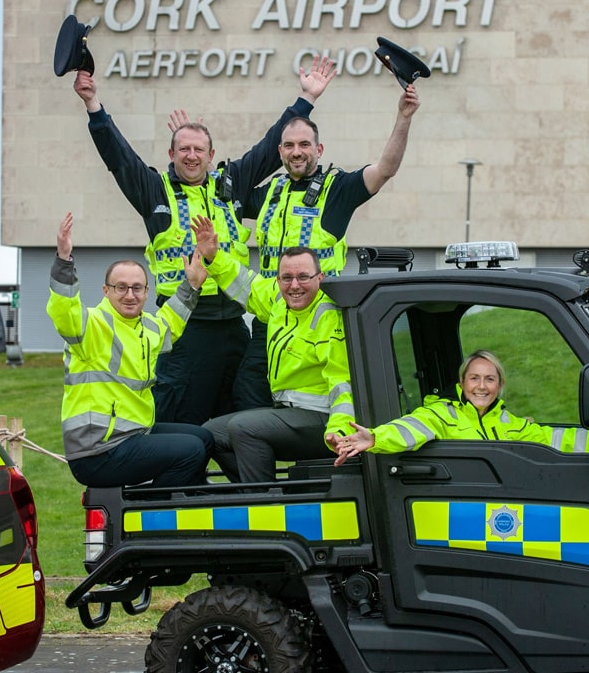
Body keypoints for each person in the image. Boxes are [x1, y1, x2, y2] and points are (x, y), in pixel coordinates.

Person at [72, 57, 337, 427]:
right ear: (171, 155)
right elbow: (119, 159)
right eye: (184, 149)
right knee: (181, 420)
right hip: (185, 328)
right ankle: (179, 482)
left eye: (199, 150)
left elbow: (267, 148)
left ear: (212, 156)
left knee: (242, 418)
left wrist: (305, 99)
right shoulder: (154, 192)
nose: (192, 156)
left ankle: (244, 487)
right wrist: (93, 107)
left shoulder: (232, 184)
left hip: (232, 325)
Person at [233, 83, 421, 410]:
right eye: (288, 145)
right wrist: (304, 100)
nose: (296, 151)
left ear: (319, 151)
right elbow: (234, 181)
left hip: (319, 323)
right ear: (279, 153)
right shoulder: (265, 194)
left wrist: (403, 117)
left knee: (314, 410)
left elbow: (385, 169)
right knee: (245, 405)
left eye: (305, 144)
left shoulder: (338, 189)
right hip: (271, 320)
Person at [48, 211, 213, 488]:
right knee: (191, 451)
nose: (129, 295)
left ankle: (187, 502)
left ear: (147, 292)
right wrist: (64, 260)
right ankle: (150, 512)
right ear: (105, 290)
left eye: (137, 288)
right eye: (121, 287)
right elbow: (63, 309)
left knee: (203, 438)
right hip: (99, 450)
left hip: (134, 434)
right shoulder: (90, 325)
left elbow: (171, 321)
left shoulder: (147, 327)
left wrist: (192, 284)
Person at [191, 215, 353, 483]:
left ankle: (264, 504)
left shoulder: (329, 316)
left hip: (324, 421)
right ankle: (256, 492)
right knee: (210, 433)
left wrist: (339, 431)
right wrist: (213, 256)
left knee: (244, 427)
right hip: (286, 411)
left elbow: (342, 383)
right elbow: (245, 284)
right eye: (286, 278)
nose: (295, 285)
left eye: (303, 277)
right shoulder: (279, 300)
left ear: (320, 277)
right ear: (277, 280)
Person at [328, 350, 589, 466]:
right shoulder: (443, 413)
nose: (482, 387)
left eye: (490, 379)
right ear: (462, 382)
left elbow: (556, 439)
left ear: (500, 385)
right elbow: (411, 427)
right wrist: (375, 437)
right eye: (474, 378)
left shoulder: (513, 424)